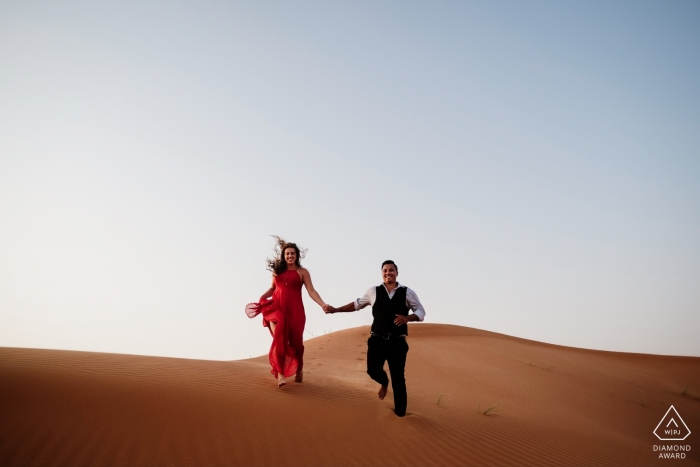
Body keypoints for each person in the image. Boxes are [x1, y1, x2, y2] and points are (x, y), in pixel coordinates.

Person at [324, 260, 425, 416]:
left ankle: (401, 416)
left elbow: (421, 311)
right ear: (381, 273)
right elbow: (357, 305)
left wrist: (408, 318)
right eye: (385, 270)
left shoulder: (407, 292)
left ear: (397, 273)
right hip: (377, 339)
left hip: (398, 342)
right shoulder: (373, 291)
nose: (388, 273)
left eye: (391, 270)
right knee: (372, 370)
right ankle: (384, 382)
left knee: (399, 379)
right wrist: (336, 310)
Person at [247, 237, 328, 387]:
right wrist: (262, 298)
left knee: (297, 343)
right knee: (280, 339)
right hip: (277, 307)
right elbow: (272, 288)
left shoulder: (302, 272)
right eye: (287, 254)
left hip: (296, 310)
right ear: (283, 256)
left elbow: (311, 290)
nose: (290, 256)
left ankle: (299, 368)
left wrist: (322, 304)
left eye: (292, 253)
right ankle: (280, 375)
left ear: (297, 255)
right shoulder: (277, 272)